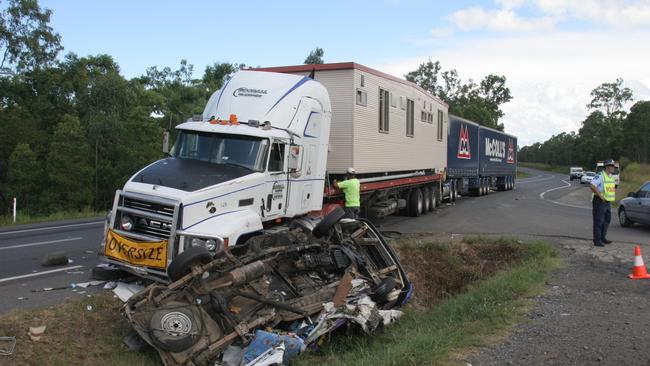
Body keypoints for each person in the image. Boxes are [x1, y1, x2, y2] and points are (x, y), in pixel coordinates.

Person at [590, 159, 617, 247]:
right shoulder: (600, 175)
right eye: (612, 166)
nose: (614, 168)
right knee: (599, 221)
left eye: (614, 166)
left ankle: (602, 237)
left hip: (607, 202)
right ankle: (597, 240)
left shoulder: (611, 176)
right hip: (599, 201)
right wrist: (600, 196)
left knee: (606, 221)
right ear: (607, 167)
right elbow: (592, 186)